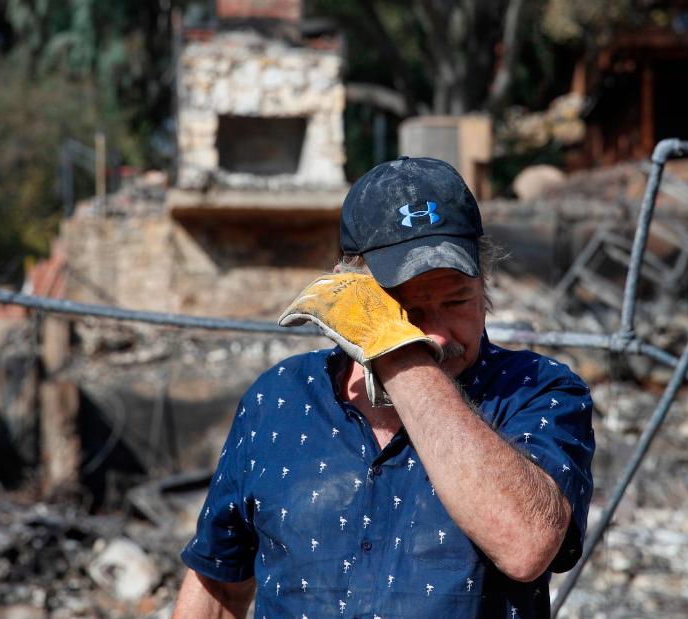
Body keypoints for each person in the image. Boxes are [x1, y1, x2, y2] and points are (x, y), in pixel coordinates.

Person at [172, 157, 595, 618]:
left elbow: (526, 547)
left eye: (457, 302)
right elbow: (218, 579)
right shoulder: (278, 398)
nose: (436, 336)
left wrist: (397, 350)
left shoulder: (538, 390)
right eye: (408, 310)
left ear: (484, 284)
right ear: (352, 293)